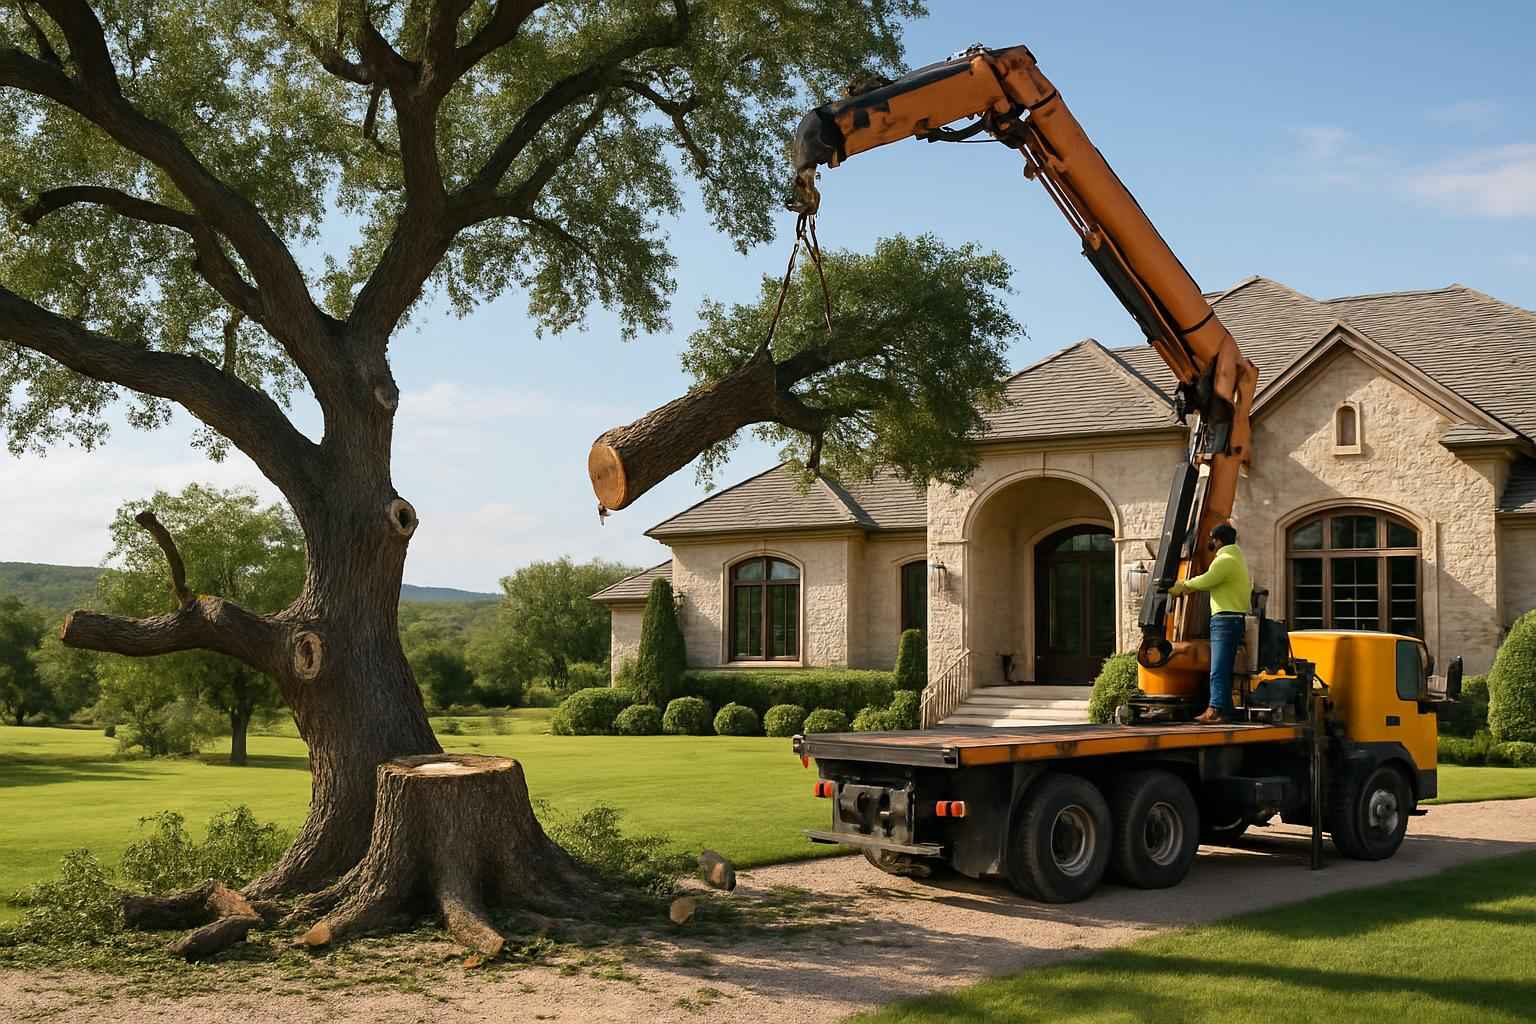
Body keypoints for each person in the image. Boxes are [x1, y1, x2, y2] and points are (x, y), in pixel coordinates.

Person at [1169, 523, 1251, 724]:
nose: (1210, 543)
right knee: (1224, 667)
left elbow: (1207, 580)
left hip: (1224, 620)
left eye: (1212, 539)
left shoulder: (1224, 560)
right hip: (1233, 619)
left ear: (1219, 540)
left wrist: (1183, 586)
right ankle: (1227, 710)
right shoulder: (1237, 558)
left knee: (1218, 668)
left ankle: (1215, 709)